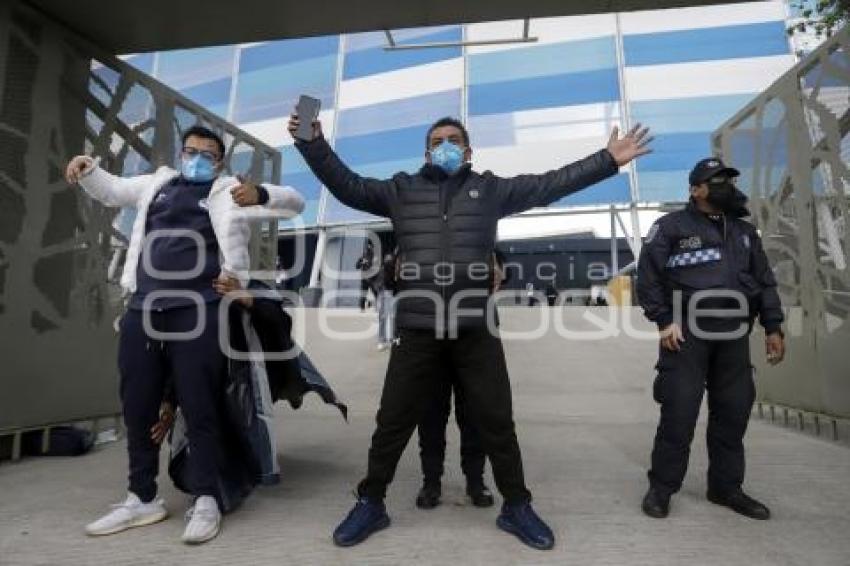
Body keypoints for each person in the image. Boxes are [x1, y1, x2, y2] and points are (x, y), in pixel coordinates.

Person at [289, 113, 651, 550]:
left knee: (496, 421)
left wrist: (607, 160)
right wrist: (313, 144)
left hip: (475, 329)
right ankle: (371, 502)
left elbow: (549, 184)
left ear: (468, 150)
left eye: (454, 140)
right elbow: (347, 185)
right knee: (392, 423)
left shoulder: (491, 190)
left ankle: (516, 506)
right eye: (438, 140)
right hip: (418, 330)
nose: (446, 145)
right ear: (426, 152)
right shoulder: (401, 190)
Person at [66, 125, 305, 544]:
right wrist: (87, 170)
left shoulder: (228, 190)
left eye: (207, 154)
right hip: (144, 309)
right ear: (181, 152)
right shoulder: (156, 183)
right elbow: (114, 189)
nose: (196, 158)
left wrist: (261, 195)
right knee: (138, 406)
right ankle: (142, 497)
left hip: (201, 310)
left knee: (200, 406)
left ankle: (206, 496)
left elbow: (294, 202)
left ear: (219, 162)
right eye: (191, 150)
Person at [636, 157, 786, 520]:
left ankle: (725, 488)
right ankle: (662, 488)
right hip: (686, 334)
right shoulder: (670, 227)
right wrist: (664, 320)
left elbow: (764, 281)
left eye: (728, 180)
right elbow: (648, 279)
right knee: (679, 412)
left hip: (734, 333)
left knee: (733, 413)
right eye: (716, 180)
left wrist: (773, 326)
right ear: (695, 189)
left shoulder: (745, 232)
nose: (726, 187)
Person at [415, 251, 507, 510]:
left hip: (474, 331)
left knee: (475, 415)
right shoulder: (420, 230)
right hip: (428, 331)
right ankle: (431, 482)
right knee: (430, 415)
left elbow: (501, 266)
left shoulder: (480, 227)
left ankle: (475, 481)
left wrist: (498, 264)